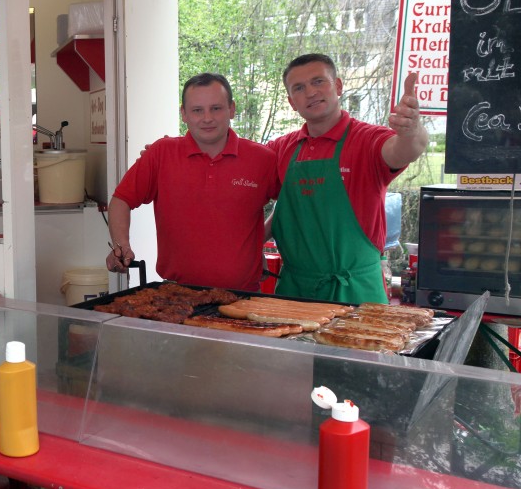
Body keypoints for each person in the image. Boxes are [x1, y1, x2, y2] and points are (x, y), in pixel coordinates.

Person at [267, 53, 427, 304]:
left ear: (338, 86)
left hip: (357, 292)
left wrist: (412, 131)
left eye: (318, 81)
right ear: (291, 102)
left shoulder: (367, 139)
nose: (310, 92)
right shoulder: (280, 149)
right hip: (295, 292)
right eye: (299, 88)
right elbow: (263, 203)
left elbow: (405, 149)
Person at [106, 73, 279, 291]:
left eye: (216, 108)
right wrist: (121, 245)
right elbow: (121, 200)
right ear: (184, 114)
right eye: (197, 110)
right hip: (177, 295)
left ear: (232, 109)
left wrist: (258, 238)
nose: (207, 118)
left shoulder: (263, 159)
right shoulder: (161, 153)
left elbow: (290, 206)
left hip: (244, 296)